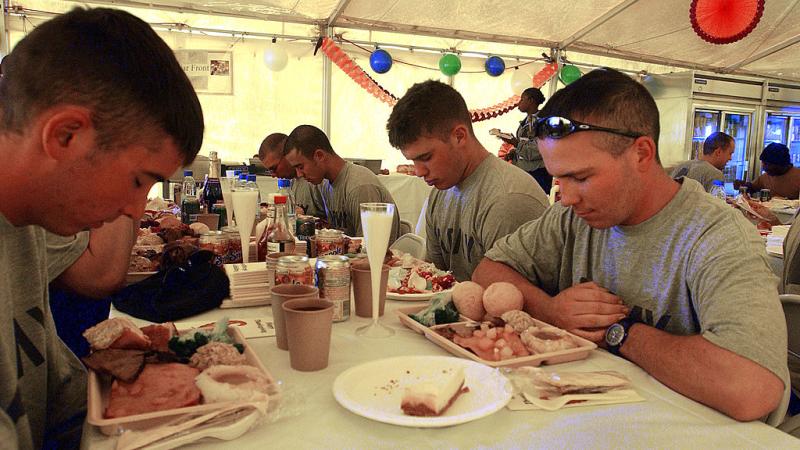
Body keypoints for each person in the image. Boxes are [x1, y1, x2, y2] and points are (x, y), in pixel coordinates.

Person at [472, 68, 788, 422]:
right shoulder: (572, 217)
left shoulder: (716, 235)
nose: (566, 197)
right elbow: (488, 269)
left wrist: (617, 333)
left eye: (581, 177)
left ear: (641, 153)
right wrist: (551, 311)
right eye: (559, 178)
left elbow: (751, 388)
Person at [0, 8, 203, 449]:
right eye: (138, 181)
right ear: (66, 135)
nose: (134, 211)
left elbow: (68, 407)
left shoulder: (28, 222)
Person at [387, 80, 549, 281]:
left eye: (426, 157)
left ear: (459, 136)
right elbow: (435, 282)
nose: (419, 172)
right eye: (413, 160)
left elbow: (509, 302)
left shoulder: (509, 200)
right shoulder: (439, 193)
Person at [283, 125, 400, 242]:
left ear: (319, 155)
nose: (299, 175)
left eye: (300, 167)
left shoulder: (359, 187)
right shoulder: (325, 185)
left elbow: (370, 248)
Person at [258, 132, 324, 217]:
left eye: (274, 168)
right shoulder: (291, 181)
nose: (273, 175)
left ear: (287, 155)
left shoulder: (316, 179)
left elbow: (331, 225)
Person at [502, 87, 552, 193]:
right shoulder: (526, 121)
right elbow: (526, 143)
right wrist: (514, 152)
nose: (519, 103)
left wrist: (515, 143)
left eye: (522, 99)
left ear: (531, 101)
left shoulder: (543, 122)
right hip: (524, 171)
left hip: (537, 174)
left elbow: (536, 151)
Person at [670, 131, 734, 192]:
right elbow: (717, 201)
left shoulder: (681, 166)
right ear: (718, 152)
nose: (730, 158)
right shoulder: (716, 175)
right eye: (730, 153)